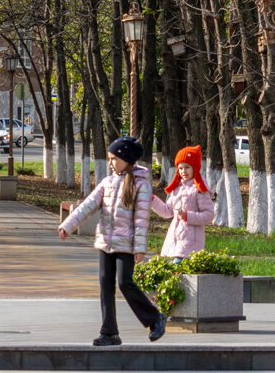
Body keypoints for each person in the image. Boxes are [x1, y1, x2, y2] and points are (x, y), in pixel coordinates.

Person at [59, 136, 167, 346]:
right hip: (105, 243)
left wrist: (140, 248)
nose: (110, 163)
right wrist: (68, 225)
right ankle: (109, 332)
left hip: (126, 244)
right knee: (105, 285)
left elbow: (142, 220)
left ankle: (155, 318)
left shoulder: (141, 186)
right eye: (109, 158)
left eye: (113, 158)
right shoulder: (107, 183)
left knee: (124, 282)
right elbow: (88, 205)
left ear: (126, 159)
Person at [152, 145, 215, 262]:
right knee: (173, 275)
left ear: (195, 168)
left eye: (187, 167)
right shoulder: (177, 188)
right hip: (174, 241)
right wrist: (152, 200)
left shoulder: (199, 189)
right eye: (180, 168)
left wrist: (187, 216)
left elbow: (208, 216)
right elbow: (167, 211)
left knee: (176, 272)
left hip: (190, 243)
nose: (183, 171)